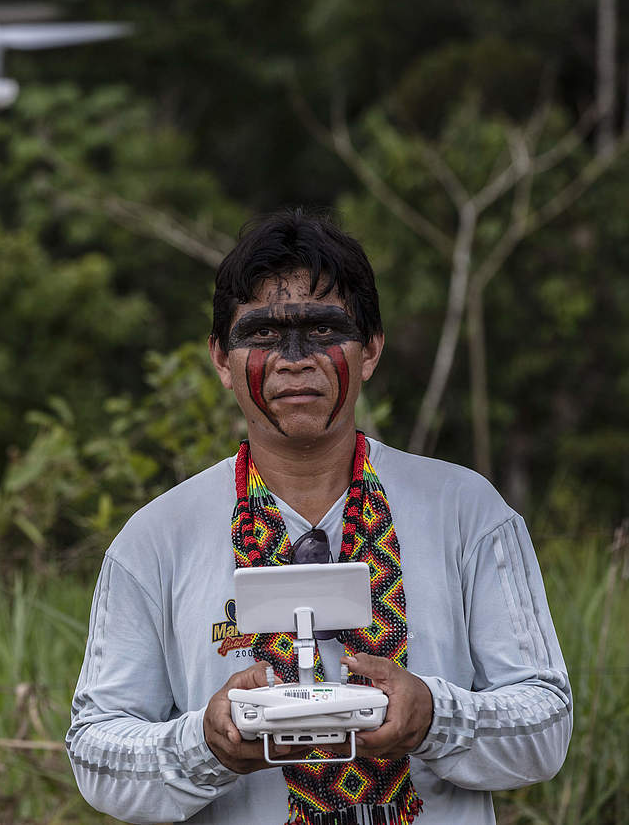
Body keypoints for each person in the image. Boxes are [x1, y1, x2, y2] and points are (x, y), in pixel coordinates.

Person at [65, 208, 571, 825]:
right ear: (221, 360)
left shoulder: (467, 512)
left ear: (370, 352)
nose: (295, 359)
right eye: (264, 336)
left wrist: (435, 717)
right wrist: (206, 744)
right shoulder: (155, 540)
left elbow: (546, 723)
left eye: (324, 331)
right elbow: (94, 751)